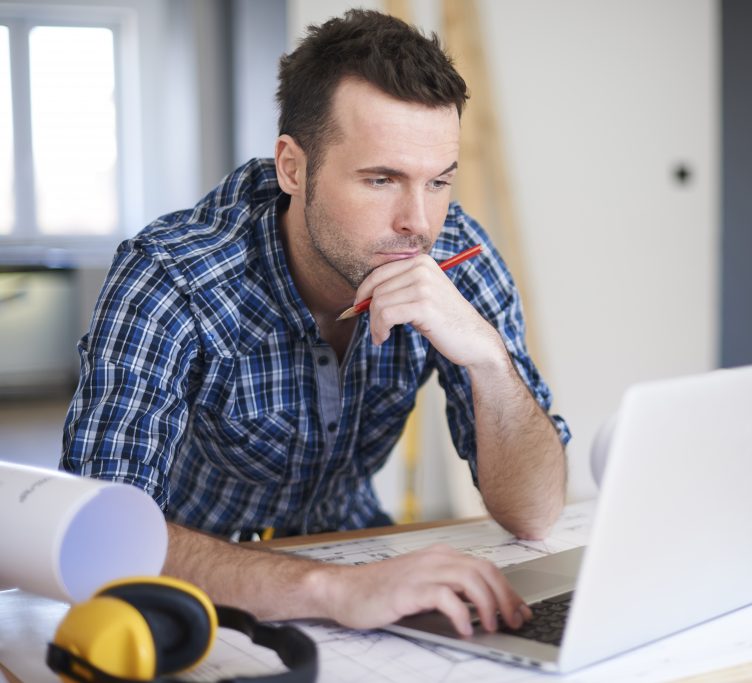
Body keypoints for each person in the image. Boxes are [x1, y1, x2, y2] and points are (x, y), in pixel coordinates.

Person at [61, 9, 569, 637]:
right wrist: (331, 590)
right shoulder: (172, 275)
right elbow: (97, 529)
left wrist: (490, 361)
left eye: (438, 181)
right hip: (194, 578)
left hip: (359, 554)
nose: (419, 222)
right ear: (293, 168)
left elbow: (537, 514)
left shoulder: (456, 255)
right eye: (381, 179)